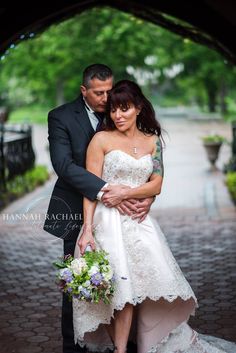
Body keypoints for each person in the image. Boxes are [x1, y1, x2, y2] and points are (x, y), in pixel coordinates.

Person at [73, 80, 236, 353]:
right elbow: (91, 190)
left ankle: (126, 348)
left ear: (138, 108)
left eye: (124, 109)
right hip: (106, 223)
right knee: (114, 290)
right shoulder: (100, 140)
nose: (118, 116)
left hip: (139, 224)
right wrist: (87, 230)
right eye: (113, 110)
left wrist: (126, 193)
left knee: (133, 292)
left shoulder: (152, 141)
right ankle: (121, 350)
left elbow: (156, 184)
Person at [44, 65, 154, 353]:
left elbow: (141, 157)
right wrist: (107, 190)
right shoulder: (61, 117)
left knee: (127, 281)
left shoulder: (120, 110)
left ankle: (125, 344)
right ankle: (75, 345)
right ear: (84, 91)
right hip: (76, 211)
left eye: (109, 90)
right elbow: (64, 166)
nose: (107, 99)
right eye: (99, 93)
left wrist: (142, 194)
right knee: (80, 283)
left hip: (124, 214)